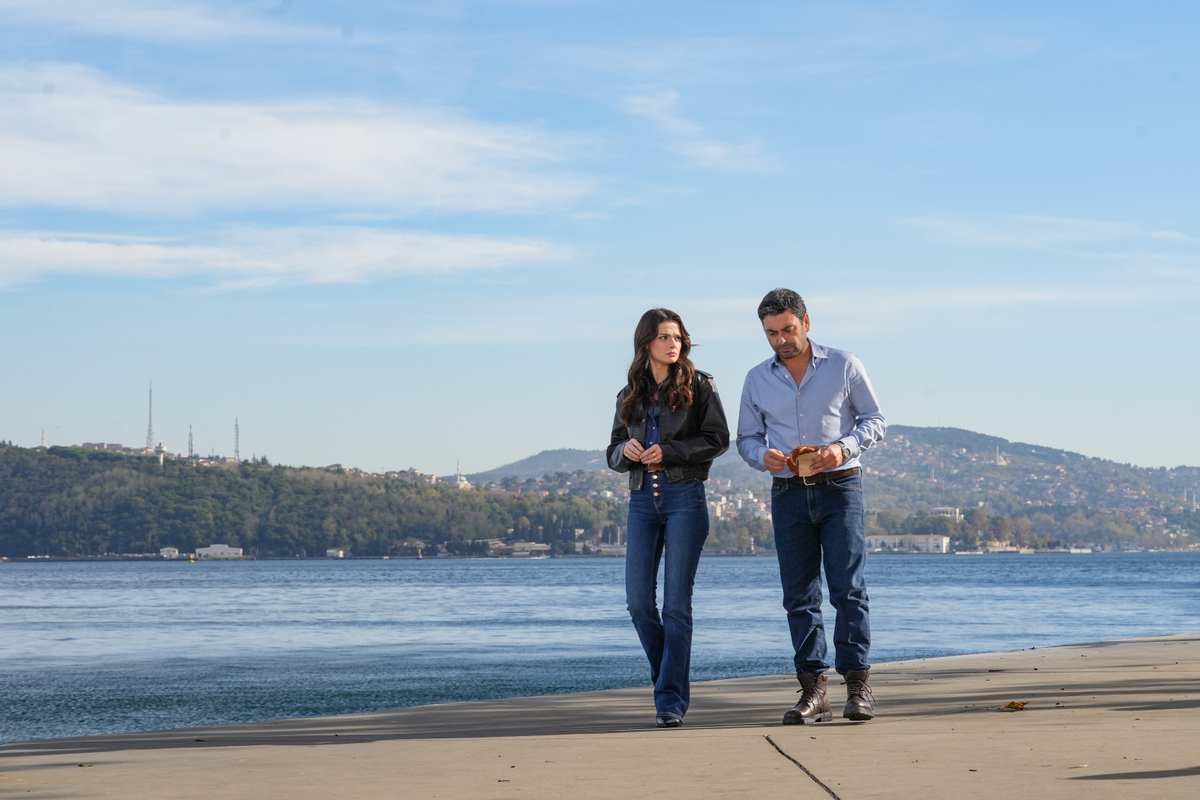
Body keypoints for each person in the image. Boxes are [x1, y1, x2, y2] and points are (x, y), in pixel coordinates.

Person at [736, 288, 886, 724]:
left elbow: (875, 420)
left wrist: (842, 448)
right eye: (771, 333)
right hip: (787, 492)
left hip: (841, 487)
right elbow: (746, 438)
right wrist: (761, 455)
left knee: (847, 589)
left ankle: (857, 687)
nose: (781, 340)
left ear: (806, 322)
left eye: (787, 329)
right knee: (799, 596)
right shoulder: (756, 379)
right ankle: (814, 691)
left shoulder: (844, 365)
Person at [606, 308, 730, 728]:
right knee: (639, 603)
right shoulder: (629, 394)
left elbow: (718, 438)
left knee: (676, 606)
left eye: (677, 337)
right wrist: (624, 452)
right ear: (646, 343)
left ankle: (669, 701)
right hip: (642, 502)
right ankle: (668, 679)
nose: (672, 343)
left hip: (685, 500)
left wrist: (671, 451)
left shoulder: (700, 385)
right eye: (663, 336)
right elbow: (612, 451)